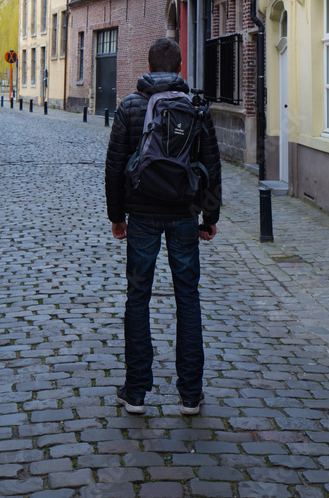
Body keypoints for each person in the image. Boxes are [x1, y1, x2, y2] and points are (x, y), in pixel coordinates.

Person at [105, 37, 221, 415]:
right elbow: (212, 165)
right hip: (185, 213)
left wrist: (117, 217)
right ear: (179, 67)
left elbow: (114, 164)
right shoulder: (197, 108)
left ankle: (136, 391)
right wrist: (209, 217)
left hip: (141, 214)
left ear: (149, 66)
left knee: (138, 297)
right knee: (188, 297)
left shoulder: (130, 106)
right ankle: (191, 394)